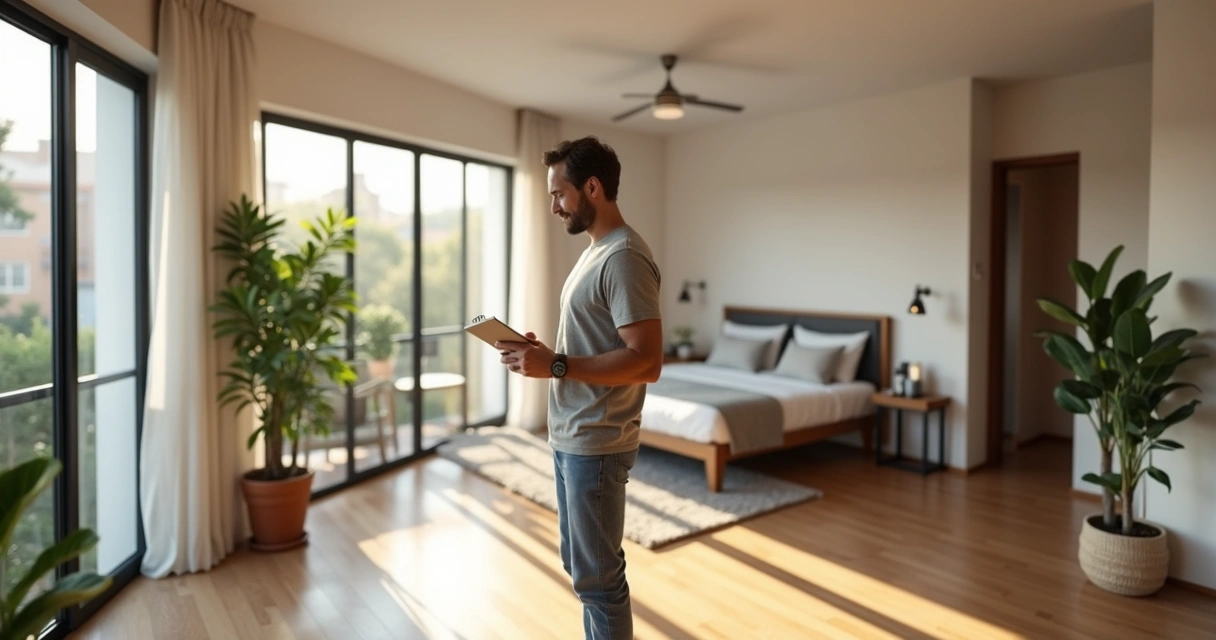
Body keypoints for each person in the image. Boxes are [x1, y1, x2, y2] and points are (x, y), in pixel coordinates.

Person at [497, 136, 663, 639]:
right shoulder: (597, 251)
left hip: (598, 440)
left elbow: (647, 361)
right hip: (573, 434)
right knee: (583, 569)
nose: (552, 206)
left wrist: (559, 366)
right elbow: (592, 341)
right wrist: (544, 357)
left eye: (559, 194)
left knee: (598, 581)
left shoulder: (624, 257)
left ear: (593, 188)